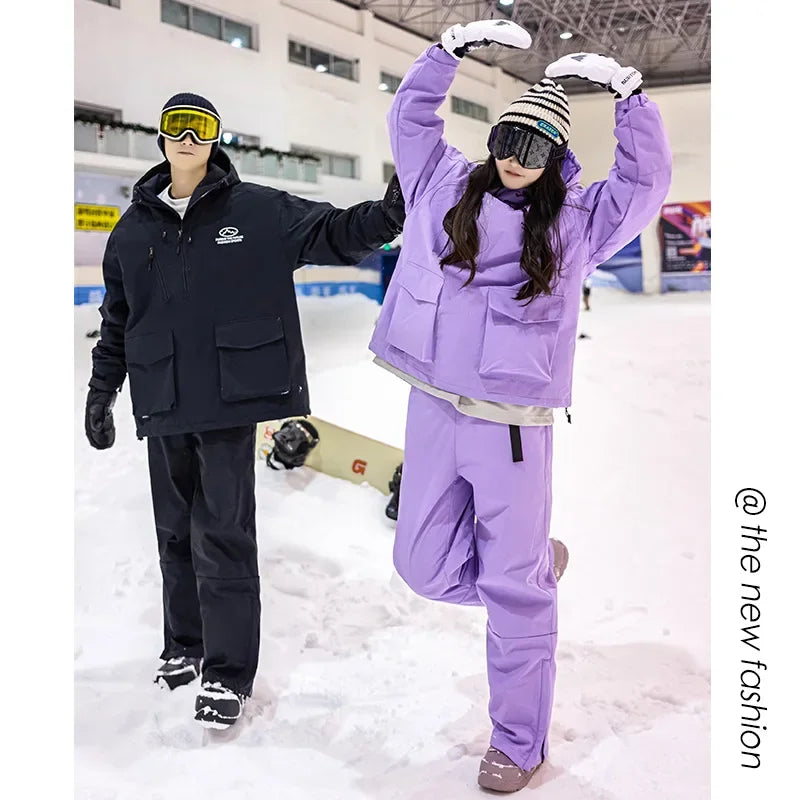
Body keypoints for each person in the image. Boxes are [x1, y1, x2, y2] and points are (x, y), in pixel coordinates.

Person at [368, 21, 671, 793]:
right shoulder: (440, 183)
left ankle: (518, 740)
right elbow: (410, 119)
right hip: (434, 408)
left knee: (513, 594)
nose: (516, 156)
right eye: (509, 137)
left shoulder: (576, 221)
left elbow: (643, 184)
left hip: (512, 431)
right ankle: (532, 577)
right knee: (420, 567)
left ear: (556, 156)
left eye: (536, 147)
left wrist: (630, 99)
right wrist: (446, 53)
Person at [84, 93, 405, 729]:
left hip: (228, 400)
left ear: (215, 138)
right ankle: (184, 646)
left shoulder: (257, 210)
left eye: (200, 127)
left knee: (223, 535)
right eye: (176, 126)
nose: (187, 137)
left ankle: (227, 674)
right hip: (163, 398)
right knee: (174, 534)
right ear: (161, 138)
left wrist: (391, 211)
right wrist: (101, 391)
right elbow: (117, 321)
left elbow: (335, 232)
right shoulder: (131, 231)